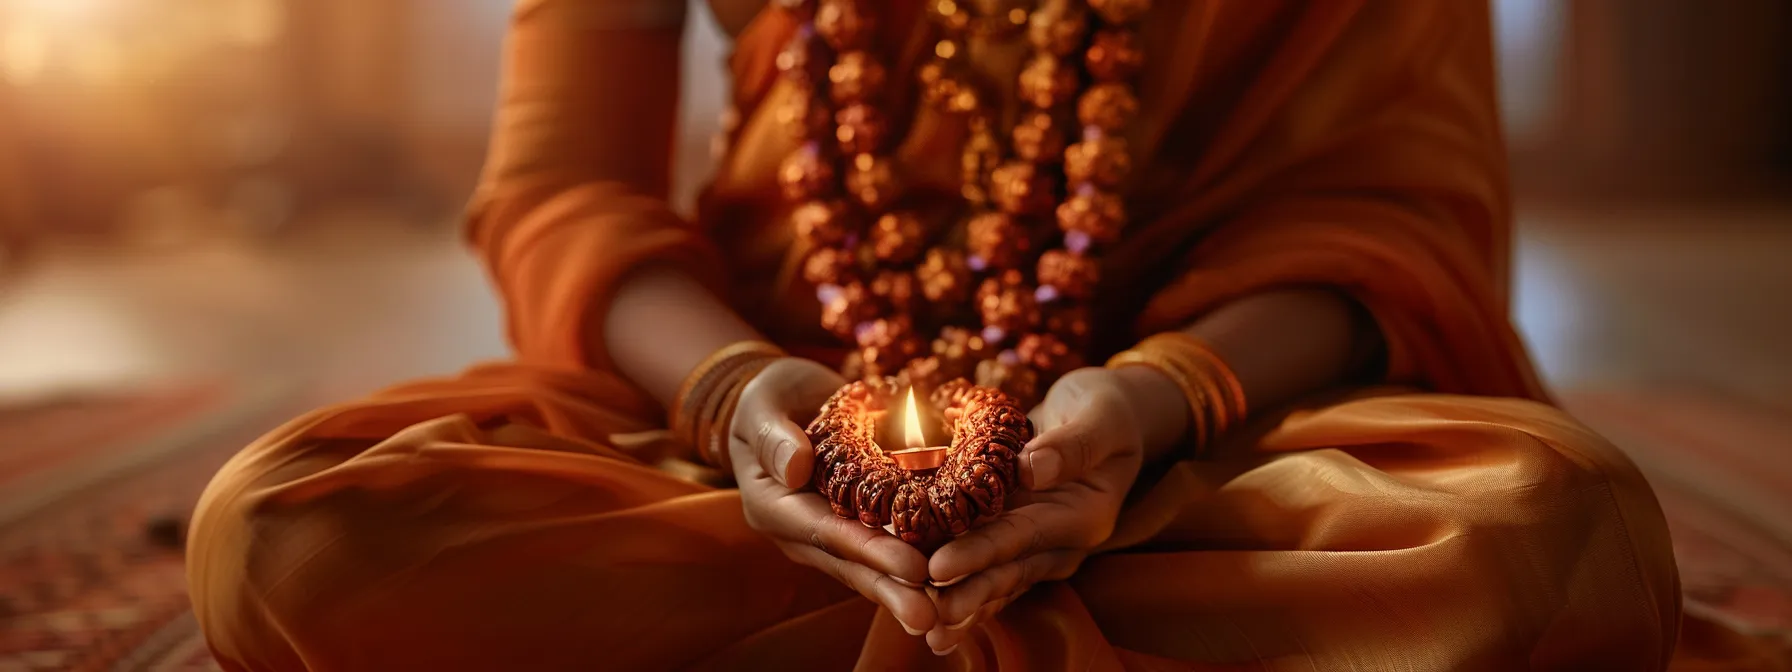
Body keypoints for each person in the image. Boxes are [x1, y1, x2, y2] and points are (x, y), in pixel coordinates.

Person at [187, 1, 1738, 669]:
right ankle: (1007, 625)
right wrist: (743, 405)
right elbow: (561, 192)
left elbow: (1391, 209)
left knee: (1561, 531)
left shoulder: (1169, 415)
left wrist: (1144, 407)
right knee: (287, 535)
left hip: (1205, 447)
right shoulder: (748, 415)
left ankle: (875, 630)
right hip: (748, 440)